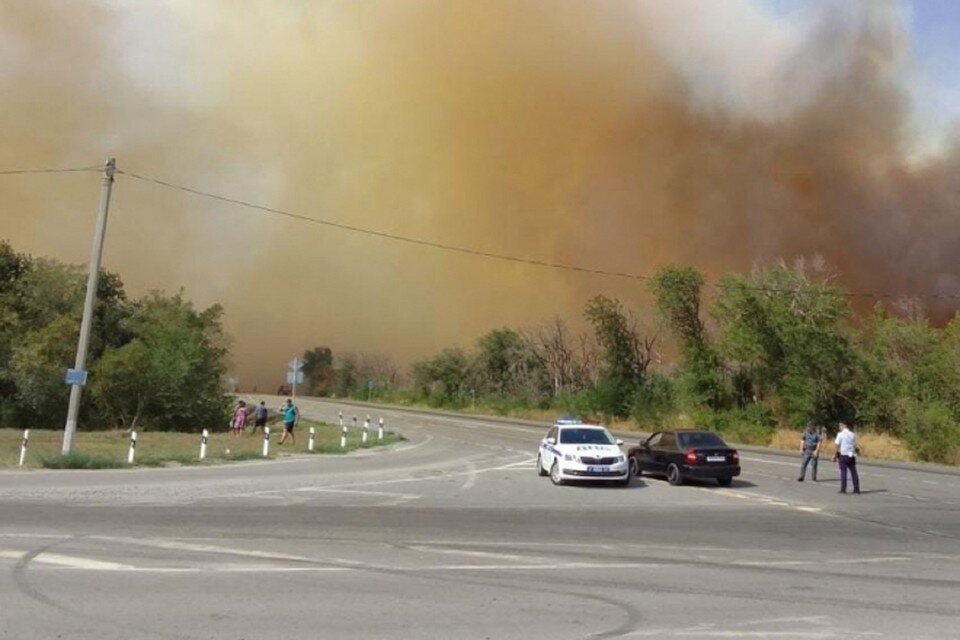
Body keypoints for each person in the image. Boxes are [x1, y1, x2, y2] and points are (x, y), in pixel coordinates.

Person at [833, 422, 860, 494]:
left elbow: (837, 445)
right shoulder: (852, 434)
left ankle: (843, 489)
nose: (839, 427)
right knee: (854, 472)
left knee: (843, 472)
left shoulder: (840, 434)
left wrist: (836, 454)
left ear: (844, 426)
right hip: (851, 455)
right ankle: (856, 489)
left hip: (843, 455)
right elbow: (855, 445)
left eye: (840, 425)